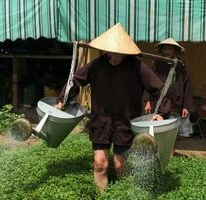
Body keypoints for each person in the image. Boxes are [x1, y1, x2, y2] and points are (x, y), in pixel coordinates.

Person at [55, 23, 167, 193]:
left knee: (120, 165)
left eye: (117, 53)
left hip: (125, 123)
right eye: (110, 52)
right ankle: (103, 196)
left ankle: (124, 194)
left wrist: (161, 113)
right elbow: (76, 80)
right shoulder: (97, 65)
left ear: (124, 51)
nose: (113, 56)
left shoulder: (137, 67)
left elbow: (159, 89)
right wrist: (62, 98)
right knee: (100, 163)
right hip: (101, 121)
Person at [143, 38, 193, 136]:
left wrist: (186, 106)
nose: (167, 52)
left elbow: (187, 85)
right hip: (158, 102)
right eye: (165, 49)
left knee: (172, 132)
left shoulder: (181, 65)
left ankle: (170, 151)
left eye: (170, 49)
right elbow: (149, 82)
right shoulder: (156, 63)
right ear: (162, 50)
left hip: (175, 103)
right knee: (156, 130)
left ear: (175, 50)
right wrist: (148, 101)